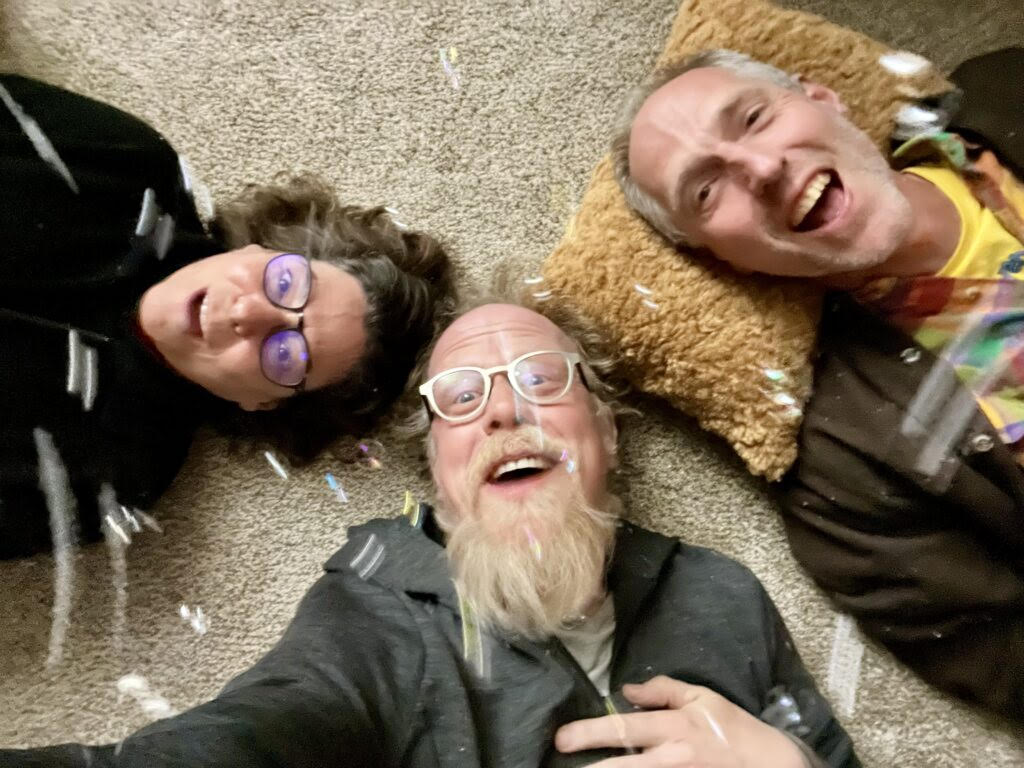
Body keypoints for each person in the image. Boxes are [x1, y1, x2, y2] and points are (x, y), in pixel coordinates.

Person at [0, 302, 860, 768]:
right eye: (460, 397)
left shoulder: (722, 591)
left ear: (605, 429)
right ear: (441, 475)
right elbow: (261, 730)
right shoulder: (370, 610)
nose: (504, 410)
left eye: (540, 377)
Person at [611, 47, 1024, 719]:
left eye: (753, 118)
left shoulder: (1004, 87)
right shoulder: (842, 471)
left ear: (824, 97)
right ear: (724, 262)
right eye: (706, 191)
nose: (761, 167)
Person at [0, 74, 455, 558]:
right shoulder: (127, 161)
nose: (248, 312)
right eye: (287, 282)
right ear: (262, 248)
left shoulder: (110, 476)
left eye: (286, 353)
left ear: (262, 402)